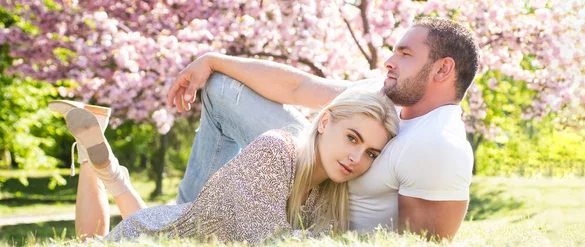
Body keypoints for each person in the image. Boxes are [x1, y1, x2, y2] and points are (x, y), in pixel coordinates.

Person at [168, 17, 480, 240]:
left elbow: (420, 243)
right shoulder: (384, 95)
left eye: (405, 54)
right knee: (221, 86)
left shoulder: (438, 145)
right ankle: (186, 213)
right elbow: (299, 87)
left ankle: (181, 221)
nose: (388, 61)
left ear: (443, 69)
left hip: (317, 224)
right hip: (304, 171)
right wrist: (211, 59)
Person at [51, 90, 399, 243]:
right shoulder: (276, 151)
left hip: (172, 226)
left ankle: (107, 168)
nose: (357, 158)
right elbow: (270, 240)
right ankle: (93, 163)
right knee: (88, 244)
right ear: (324, 122)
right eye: (352, 138)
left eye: (371, 153)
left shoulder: (332, 194)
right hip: (148, 236)